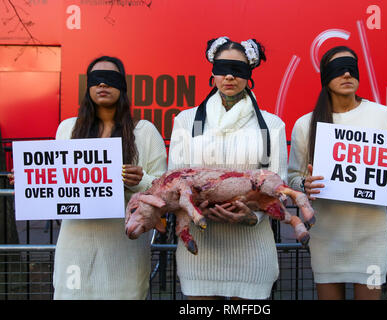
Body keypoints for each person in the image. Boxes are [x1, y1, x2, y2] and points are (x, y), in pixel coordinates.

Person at [9, 56, 168, 299]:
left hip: (125, 249)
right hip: (75, 247)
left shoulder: (145, 132)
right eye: (96, 80)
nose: (103, 85)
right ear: (88, 86)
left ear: (123, 86)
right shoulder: (67, 129)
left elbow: (164, 190)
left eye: (110, 79)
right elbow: (56, 179)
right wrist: (30, 180)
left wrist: (142, 181)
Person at [287, 46, 387, 300]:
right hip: (326, 239)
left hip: (371, 240)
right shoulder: (305, 125)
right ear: (325, 77)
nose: (347, 74)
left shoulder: (383, 116)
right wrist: (305, 183)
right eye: (338, 69)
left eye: (352, 68)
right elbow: (293, 177)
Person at [167, 36, 288, 300]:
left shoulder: (272, 125)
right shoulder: (187, 121)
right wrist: (197, 208)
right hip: (200, 253)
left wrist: (252, 216)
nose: (230, 77)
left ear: (250, 73)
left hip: (253, 253)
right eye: (223, 69)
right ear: (212, 73)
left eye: (238, 70)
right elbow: (173, 181)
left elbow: (280, 185)